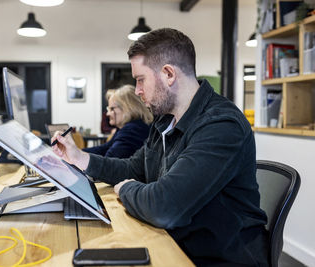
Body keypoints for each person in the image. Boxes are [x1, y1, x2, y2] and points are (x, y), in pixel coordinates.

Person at [52, 28, 269, 266]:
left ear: (168, 74)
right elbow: (133, 168)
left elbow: (164, 207)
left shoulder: (221, 125)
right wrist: (79, 157)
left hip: (218, 257)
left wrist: (127, 189)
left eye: (140, 79)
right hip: (177, 241)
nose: (137, 90)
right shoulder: (165, 121)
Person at [83, 85, 153, 158]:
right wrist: (77, 153)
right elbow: (104, 149)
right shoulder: (128, 128)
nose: (108, 113)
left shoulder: (132, 130)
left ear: (128, 108)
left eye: (112, 109)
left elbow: (109, 161)